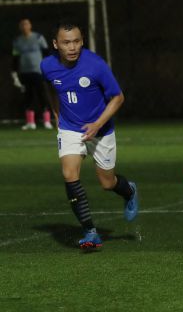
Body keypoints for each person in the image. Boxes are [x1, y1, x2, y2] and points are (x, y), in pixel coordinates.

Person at [40, 21, 138, 249]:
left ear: (82, 41)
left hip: (101, 130)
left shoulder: (96, 65)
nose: (72, 47)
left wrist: (97, 124)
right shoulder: (47, 66)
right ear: (55, 44)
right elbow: (50, 86)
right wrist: (56, 113)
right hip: (70, 128)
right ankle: (90, 232)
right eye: (66, 42)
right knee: (69, 174)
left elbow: (118, 97)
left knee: (107, 183)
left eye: (76, 41)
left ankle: (129, 190)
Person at [11, 18, 53, 130]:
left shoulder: (38, 37)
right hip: (25, 73)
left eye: (26, 24)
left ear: (30, 26)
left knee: (42, 95)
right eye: (22, 25)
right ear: (20, 27)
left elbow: (46, 53)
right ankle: (30, 122)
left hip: (38, 71)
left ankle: (47, 121)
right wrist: (14, 73)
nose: (25, 26)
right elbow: (15, 57)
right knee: (28, 97)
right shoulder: (17, 41)